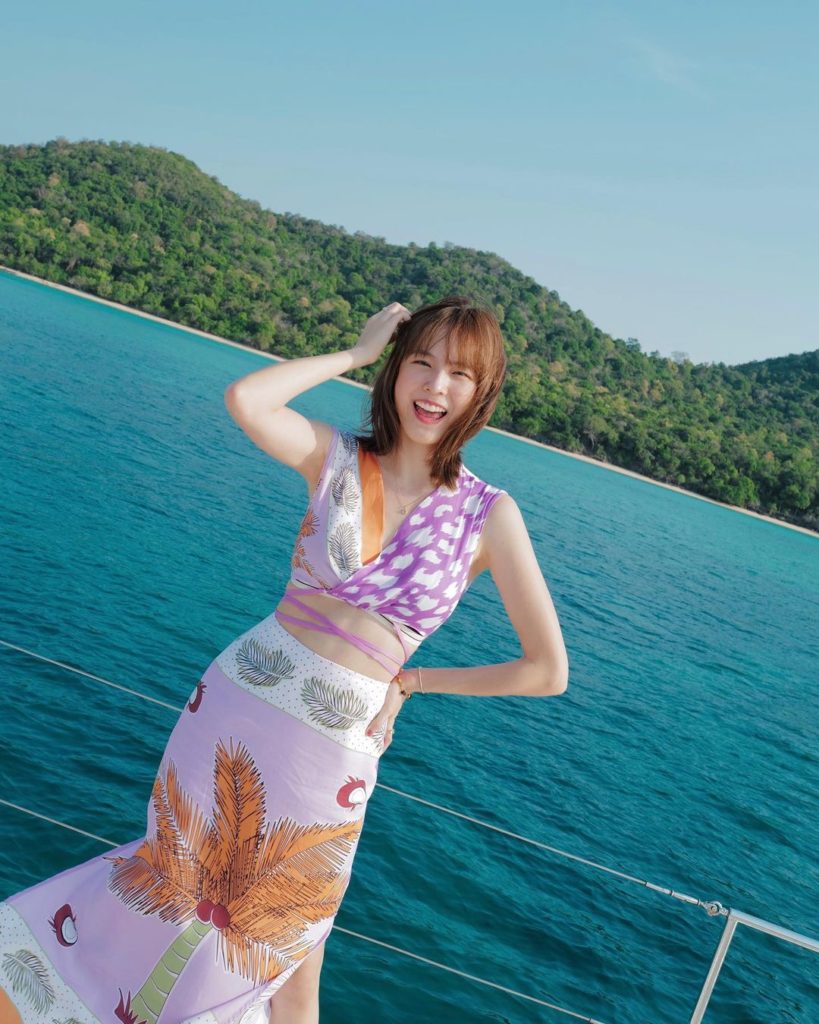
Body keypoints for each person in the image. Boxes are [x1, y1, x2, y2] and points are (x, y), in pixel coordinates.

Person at [0, 296, 568, 1024]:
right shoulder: (336, 456)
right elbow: (247, 399)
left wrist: (412, 683)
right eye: (420, 363)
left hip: (334, 750)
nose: (435, 387)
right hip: (239, 703)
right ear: (395, 369)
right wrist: (355, 354)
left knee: (286, 936)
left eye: (459, 374)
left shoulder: (487, 515)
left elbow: (545, 670)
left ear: (481, 392)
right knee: (167, 880)